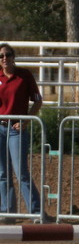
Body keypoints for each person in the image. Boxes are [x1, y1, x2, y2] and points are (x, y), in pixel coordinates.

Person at [0, 43, 48, 223]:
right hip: (0, 128)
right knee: (2, 173)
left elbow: (37, 100)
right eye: (1, 56)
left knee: (21, 173)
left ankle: (35, 211)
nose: (5, 58)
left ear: (14, 56)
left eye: (8, 54)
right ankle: (7, 211)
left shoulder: (24, 75)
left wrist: (26, 120)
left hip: (16, 129)